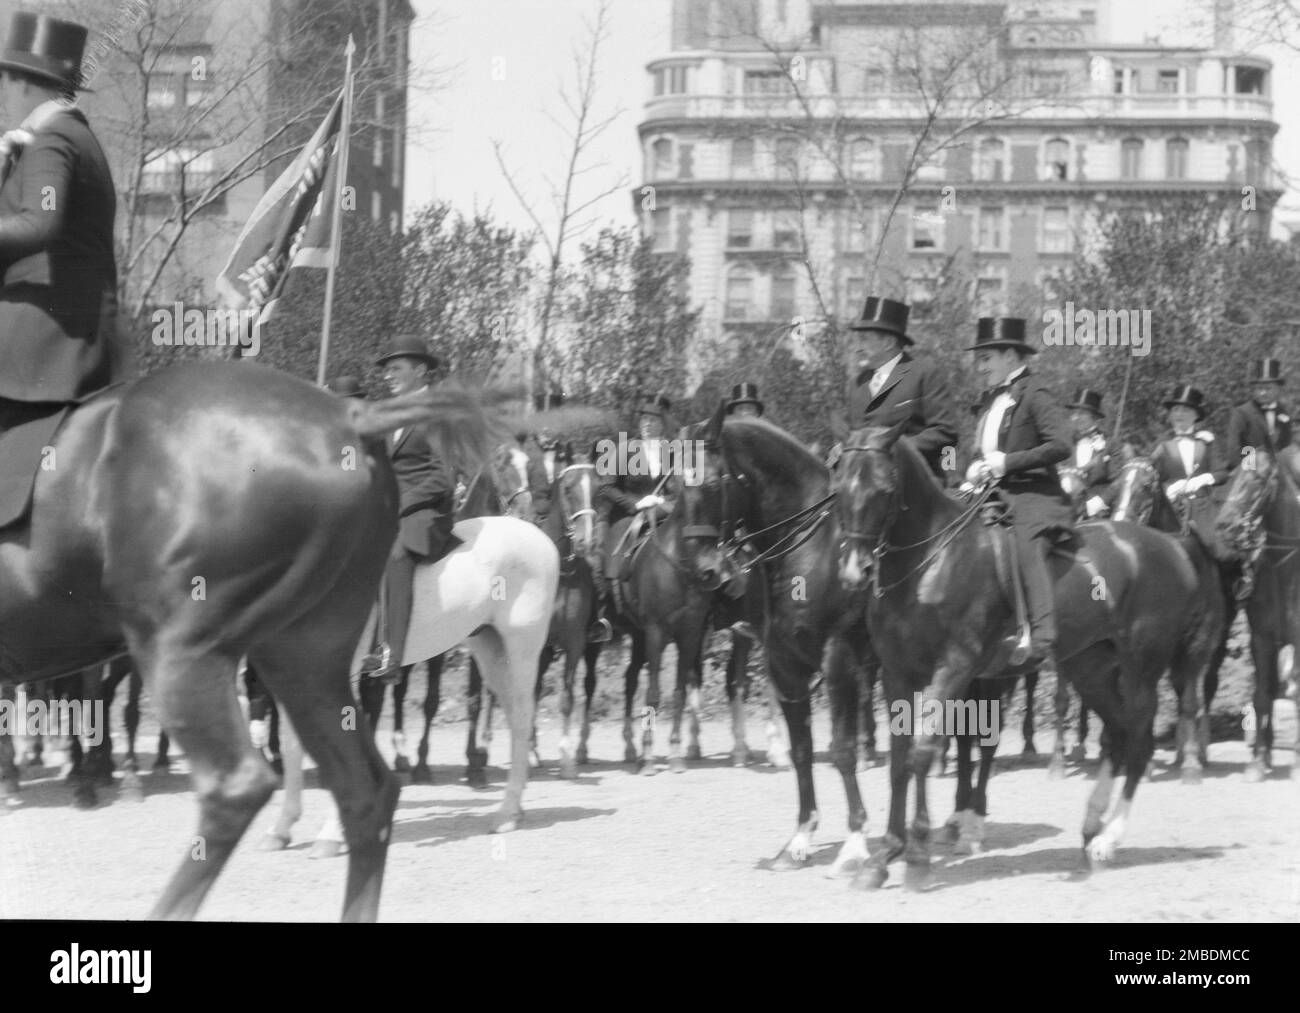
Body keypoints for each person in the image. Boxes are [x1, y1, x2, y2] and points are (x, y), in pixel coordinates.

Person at [0, 12, 117, 434]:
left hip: (43, 337)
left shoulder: (54, 138)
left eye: (4, 81)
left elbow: (40, 223)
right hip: (69, 330)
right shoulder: (60, 136)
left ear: (25, 82)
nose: (2, 94)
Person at [964, 317, 1073, 673]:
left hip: (1033, 493)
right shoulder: (989, 400)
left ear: (1011, 355)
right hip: (992, 492)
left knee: (1024, 541)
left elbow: (1060, 445)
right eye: (980, 360)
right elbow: (986, 452)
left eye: (987, 359)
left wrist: (1006, 462)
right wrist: (975, 469)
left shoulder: (1035, 394)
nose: (981, 368)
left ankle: (1041, 636)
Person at [361, 334, 458, 681]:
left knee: (395, 552)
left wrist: (400, 504)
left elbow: (444, 476)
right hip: (386, 507)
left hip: (425, 511)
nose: (387, 375)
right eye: (386, 369)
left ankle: (391, 655)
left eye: (395, 368)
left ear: (420, 371)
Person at [591, 393, 676, 642]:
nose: (647, 424)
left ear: (663, 423)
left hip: (661, 510)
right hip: (628, 513)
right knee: (612, 551)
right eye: (644, 419)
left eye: (653, 420)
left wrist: (665, 500)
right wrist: (636, 503)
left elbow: (677, 485)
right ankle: (606, 615)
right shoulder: (625, 448)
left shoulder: (672, 451)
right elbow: (606, 487)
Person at [843, 296, 957, 480]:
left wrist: (894, 448)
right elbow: (852, 434)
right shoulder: (856, 383)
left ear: (888, 342)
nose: (858, 348)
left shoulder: (924, 373)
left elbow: (945, 432)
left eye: (864, 340)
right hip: (863, 485)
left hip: (913, 482)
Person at [1226, 358, 1291, 469]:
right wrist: (1250, 467)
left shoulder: (1283, 412)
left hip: (1279, 470)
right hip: (1249, 469)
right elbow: (1233, 451)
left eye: (1268, 388)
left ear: (1278, 389)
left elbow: (1286, 446)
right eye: (1259, 388)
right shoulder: (1242, 413)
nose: (1262, 393)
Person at [1062, 388, 1116, 519]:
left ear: (1094, 417)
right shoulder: (1063, 443)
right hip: (1063, 511)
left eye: (1081, 413)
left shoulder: (1111, 444)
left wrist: (1102, 501)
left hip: (1098, 514)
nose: (1076, 417)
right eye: (1074, 413)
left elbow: (1119, 480)